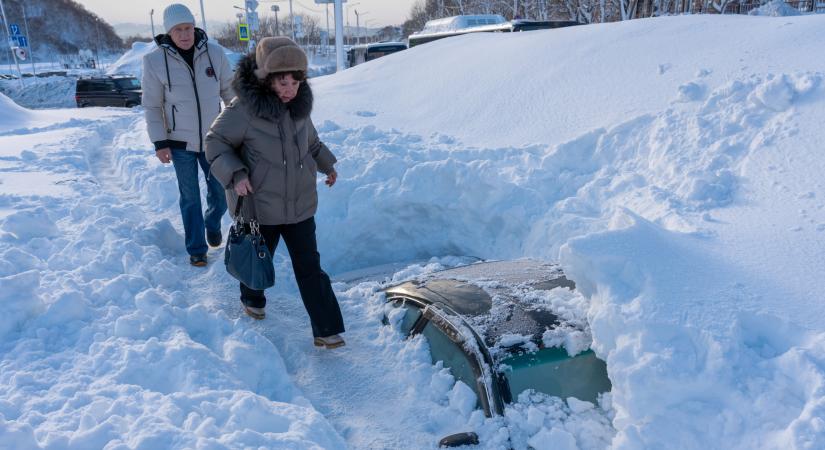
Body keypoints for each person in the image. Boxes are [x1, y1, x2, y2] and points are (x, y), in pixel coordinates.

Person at [205, 37, 346, 349]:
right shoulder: (243, 110)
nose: (290, 90)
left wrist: (327, 165)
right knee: (257, 258)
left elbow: (311, 142)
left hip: (299, 205)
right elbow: (214, 143)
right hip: (260, 205)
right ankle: (251, 297)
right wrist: (236, 174)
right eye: (283, 83)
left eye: (296, 82)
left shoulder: (299, 108)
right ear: (265, 79)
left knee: (310, 267)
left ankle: (326, 329)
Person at [142, 3, 235, 267]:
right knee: (190, 196)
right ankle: (196, 248)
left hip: (213, 139)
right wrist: (159, 142)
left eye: (188, 28)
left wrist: (240, 127)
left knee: (220, 192)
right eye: (178, 30)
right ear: (169, 33)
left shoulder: (214, 54)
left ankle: (212, 222)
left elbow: (230, 92)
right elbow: (152, 105)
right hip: (179, 143)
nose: (185, 34)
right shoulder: (154, 61)